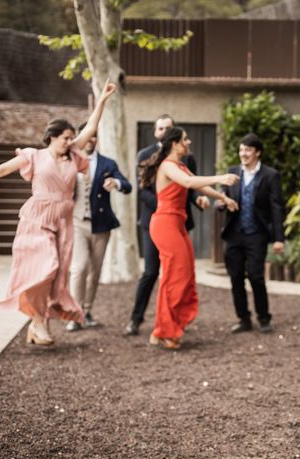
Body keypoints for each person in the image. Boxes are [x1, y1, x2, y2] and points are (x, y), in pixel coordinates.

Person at [0, 81, 116, 346]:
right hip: (38, 217)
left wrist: (102, 99)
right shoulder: (33, 156)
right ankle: (36, 321)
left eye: (72, 138)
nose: (71, 141)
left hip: (63, 219)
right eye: (66, 138)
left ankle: (40, 324)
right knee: (47, 266)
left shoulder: (73, 156)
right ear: (52, 137)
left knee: (56, 276)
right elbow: (3, 169)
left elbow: (91, 127)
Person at [139, 127, 238, 350]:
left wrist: (223, 196)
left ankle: (162, 330)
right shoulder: (167, 166)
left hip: (177, 223)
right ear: (174, 143)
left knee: (181, 274)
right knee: (176, 275)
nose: (189, 142)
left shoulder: (180, 166)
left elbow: (200, 186)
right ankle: (165, 331)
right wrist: (221, 177)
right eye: (185, 139)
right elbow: (188, 183)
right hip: (164, 223)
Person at [125, 114, 209, 336]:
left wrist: (199, 200)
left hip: (177, 221)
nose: (163, 131)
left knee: (180, 272)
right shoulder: (144, 156)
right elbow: (143, 191)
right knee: (151, 272)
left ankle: (175, 320)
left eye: (168, 128)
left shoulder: (185, 158)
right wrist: (163, 208)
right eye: (160, 128)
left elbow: (189, 186)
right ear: (155, 132)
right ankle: (136, 319)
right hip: (157, 220)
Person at [66, 122, 132, 332]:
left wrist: (116, 183)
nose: (91, 140)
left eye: (95, 136)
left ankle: (86, 311)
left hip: (102, 226)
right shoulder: (70, 161)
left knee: (95, 272)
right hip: (76, 223)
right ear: (81, 138)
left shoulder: (107, 163)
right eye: (88, 136)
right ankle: (74, 315)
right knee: (79, 268)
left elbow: (127, 186)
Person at [218, 133, 286, 334]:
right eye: (241, 150)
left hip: (256, 234)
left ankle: (264, 318)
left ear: (257, 152)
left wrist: (278, 238)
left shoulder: (270, 175)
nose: (243, 154)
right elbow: (222, 198)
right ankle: (243, 319)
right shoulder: (232, 173)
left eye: (247, 150)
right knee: (235, 277)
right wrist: (219, 203)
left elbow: (276, 208)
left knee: (256, 277)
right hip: (234, 234)